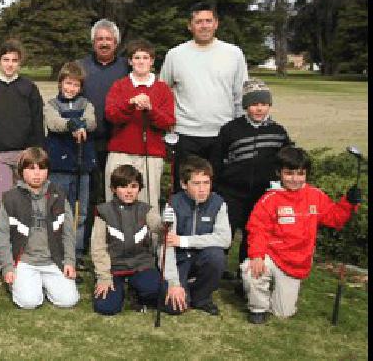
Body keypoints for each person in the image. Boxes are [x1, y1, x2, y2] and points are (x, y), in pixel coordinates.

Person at [242, 146, 360, 324]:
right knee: (250, 269)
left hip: (297, 261)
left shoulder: (315, 195)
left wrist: (348, 202)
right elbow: (257, 229)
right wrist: (257, 255)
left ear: (306, 174)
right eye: (289, 173)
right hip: (272, 254)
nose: (295, 179)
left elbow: (335, 218)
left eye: (300, 173)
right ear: (279, 173)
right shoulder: (270, 199)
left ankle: (276, 296)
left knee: (283, 313)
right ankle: (258, 307)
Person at [159, 3, 248, 190]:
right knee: (184, 189)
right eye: (199, 22)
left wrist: (239, 131)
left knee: (218, 189)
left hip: (222, 133)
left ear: (216, 24)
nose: (204, 26)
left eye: (208, 21)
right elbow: (163, 92)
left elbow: (240, 95)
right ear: (189, 26)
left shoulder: (233, 53)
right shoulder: (175, 55)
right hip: (185, 134)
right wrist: (168, 129)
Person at [211, 79, 291, 276]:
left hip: (262, 194)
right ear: (246, 106)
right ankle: (216, 270)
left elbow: (288, 160)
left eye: (263, 104)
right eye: (254, 104)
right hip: (231, 191)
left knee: (253, 234)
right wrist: (218, 183)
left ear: (269, 105)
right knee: (225, 231)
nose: (259, 109)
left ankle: (245, 274)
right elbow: (216, 159)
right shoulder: (231, 129)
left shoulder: (278, 132)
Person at [0, 147, 79, 310]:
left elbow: (68, 233)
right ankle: (26, 283)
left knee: (69, 300)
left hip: (52, 260)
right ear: (21, 171)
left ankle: (44, 283)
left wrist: (69, 261)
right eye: (31, 168)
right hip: (25, 261)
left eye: (42, 168)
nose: (37, 173)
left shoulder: (59, 195)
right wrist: (8, 267)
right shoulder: (11, 198)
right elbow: (2, 236)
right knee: (28, 302)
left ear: (48, 171)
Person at [104, 38, 175, 212]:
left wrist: (151, 109)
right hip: (121, 152)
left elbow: (168, 121)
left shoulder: (162, 88)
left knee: (148, 206)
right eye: (137, 57)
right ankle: (115, 238)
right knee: (115, 204)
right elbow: (111, 115)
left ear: (151, 61)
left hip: (150, 155)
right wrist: (130, 104)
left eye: (145, 57)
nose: (141, 61)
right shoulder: (120, 86)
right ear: (130, 61)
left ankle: (149, 239)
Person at [0, 40, 44, 231]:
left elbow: (37, 121)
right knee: (2, 200)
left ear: (19, 63)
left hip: (24, 154)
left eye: (14, 60)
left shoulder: (29, 88)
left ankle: (24, 245)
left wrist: (36, 154)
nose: (9, 64)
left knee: (25, 201)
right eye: (6, 59)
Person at [77, 19, 130, 250]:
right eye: (100, 39)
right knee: (89, 195)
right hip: (87, 141)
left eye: (108, 39)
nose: (104, 43)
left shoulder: (126, 68)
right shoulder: (81, 67)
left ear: (116, 42)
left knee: (117, 191)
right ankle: (87, 242)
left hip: (119, 141)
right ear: (93, 42)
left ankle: (116, 241)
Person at [91, 165, 171, 315]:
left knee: (168, 301)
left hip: (141, 265)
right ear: (113, 189)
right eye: (123, 186)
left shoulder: (145, 209)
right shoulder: (103, 212)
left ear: (139, 188)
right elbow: (98, 248)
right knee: (106, 307)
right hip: (114, 267)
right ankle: (120, 290)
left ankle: (138, 291)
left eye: (133, 186)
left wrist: (166, 223)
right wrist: (104, 277)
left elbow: (158, 227)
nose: (129, 191)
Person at [162, 156, 231, 316]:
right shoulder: (173, 203)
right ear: (184, 184)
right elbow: (165, 247)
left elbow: (225, 239)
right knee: (175, 307)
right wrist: (173, 282)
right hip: (179, 259)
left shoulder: (218, 203)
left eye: (206, 183)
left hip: (203, 255)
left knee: (217, 256)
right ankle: (183, 287)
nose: (202, 189)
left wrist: (184, 240)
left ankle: (202, 297)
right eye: (196, 183)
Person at [44, 61, 97, 266]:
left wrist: (82, 124)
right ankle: (57, 249)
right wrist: (71, 124)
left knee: (81, 212)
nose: (71, 88)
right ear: (60, 83)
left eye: (75, 85)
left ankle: (77, 250)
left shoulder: (86, 105)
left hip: (82, 166)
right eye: (67, 83)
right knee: (58, 210)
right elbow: (53, 123)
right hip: (59, 167)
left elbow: (91, 121)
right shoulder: (51, 105)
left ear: (80, 87)